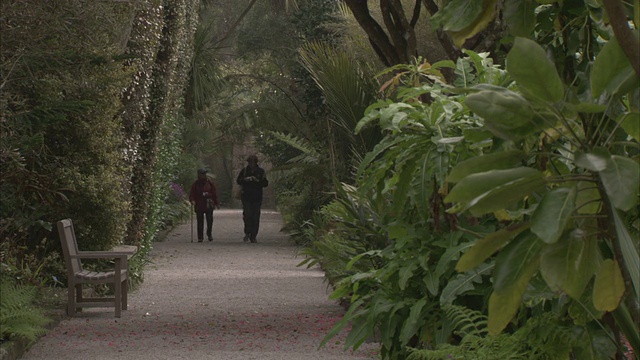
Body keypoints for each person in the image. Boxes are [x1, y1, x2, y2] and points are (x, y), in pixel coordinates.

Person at [236, 155, 268, 243]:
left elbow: (265, 183)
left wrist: (257, 181)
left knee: (255, 216)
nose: (251, 163)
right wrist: (245, 179)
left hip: (257, 197)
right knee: (247, 215)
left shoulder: (261, 171)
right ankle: (247, 232)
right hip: (246, 196)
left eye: (253, 162)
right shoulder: (245, 171)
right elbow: (238, 180)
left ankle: (253, 235)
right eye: (250, 162)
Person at [189, 168, 220, 242]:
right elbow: (192, 194)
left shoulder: (210, 183)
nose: (204, 175)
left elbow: (214, 193)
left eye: (204, 174)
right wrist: (192, 200)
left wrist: (217, 203)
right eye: (202, 174)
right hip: (199, 204)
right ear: (199, 175)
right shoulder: (195, 184)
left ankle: (209, 233)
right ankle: (200, 237)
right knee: (200, 221)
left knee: (210, 220)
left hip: (208, 204)